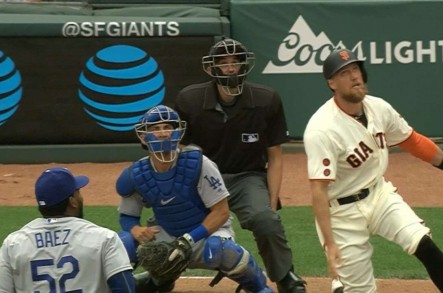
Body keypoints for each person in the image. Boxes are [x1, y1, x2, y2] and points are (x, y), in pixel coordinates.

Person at [303, 48, 443, 293]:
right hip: (342, 213)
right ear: (331, 83)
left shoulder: (378, 108)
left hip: (379, 195)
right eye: (344, 73)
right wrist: (330, 244)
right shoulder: (322, 129)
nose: (354, 76)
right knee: (360, 290)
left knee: (425, 245)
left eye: (356, 69)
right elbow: (318, 189)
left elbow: (413, 141)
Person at [174, 38, 307, 293]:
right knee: (174, 220)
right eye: (223, 63)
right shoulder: (190, 100)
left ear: (244, 65)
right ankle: (161, 276)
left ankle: (285, 276)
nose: (231, 68)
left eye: (235, 62)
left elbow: (275, 155)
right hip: (202, 178)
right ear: (212, 68)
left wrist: (272, 203)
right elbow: (180, 150)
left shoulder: (266, 100)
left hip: (248, 176)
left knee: (266, 220)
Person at [115, 104, 273, 293]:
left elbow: (221, 213)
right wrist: (135, 229)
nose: (163, 133)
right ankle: (154, 283)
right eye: (156, 129)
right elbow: (127, 216)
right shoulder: (136, 174)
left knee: (220, 250)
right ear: (143, 136)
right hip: (166, 235)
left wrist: (189, 239)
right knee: (123, 242)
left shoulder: (199, 164)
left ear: (177, 132)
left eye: (168, 127)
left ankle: (258, 287)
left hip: (204, 234)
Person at [0, 167, 135, 293]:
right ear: (73, 202)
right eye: (78, 193)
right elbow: (125, 289)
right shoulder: (104, 238)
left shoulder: (13, 244)